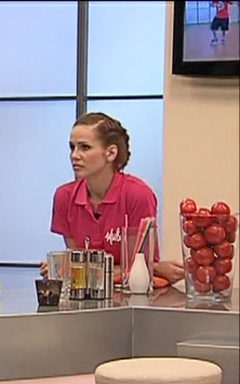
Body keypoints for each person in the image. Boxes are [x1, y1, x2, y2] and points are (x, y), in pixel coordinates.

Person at [41, 112, 184, 284]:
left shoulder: (138, 195)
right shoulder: (64, 197)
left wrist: (70, 268)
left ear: (111, 153)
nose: (74, 155)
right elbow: (77, 265)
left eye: (85, 147)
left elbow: (138, 268)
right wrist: (69, 268)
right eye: (72, 147)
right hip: (87, 292)